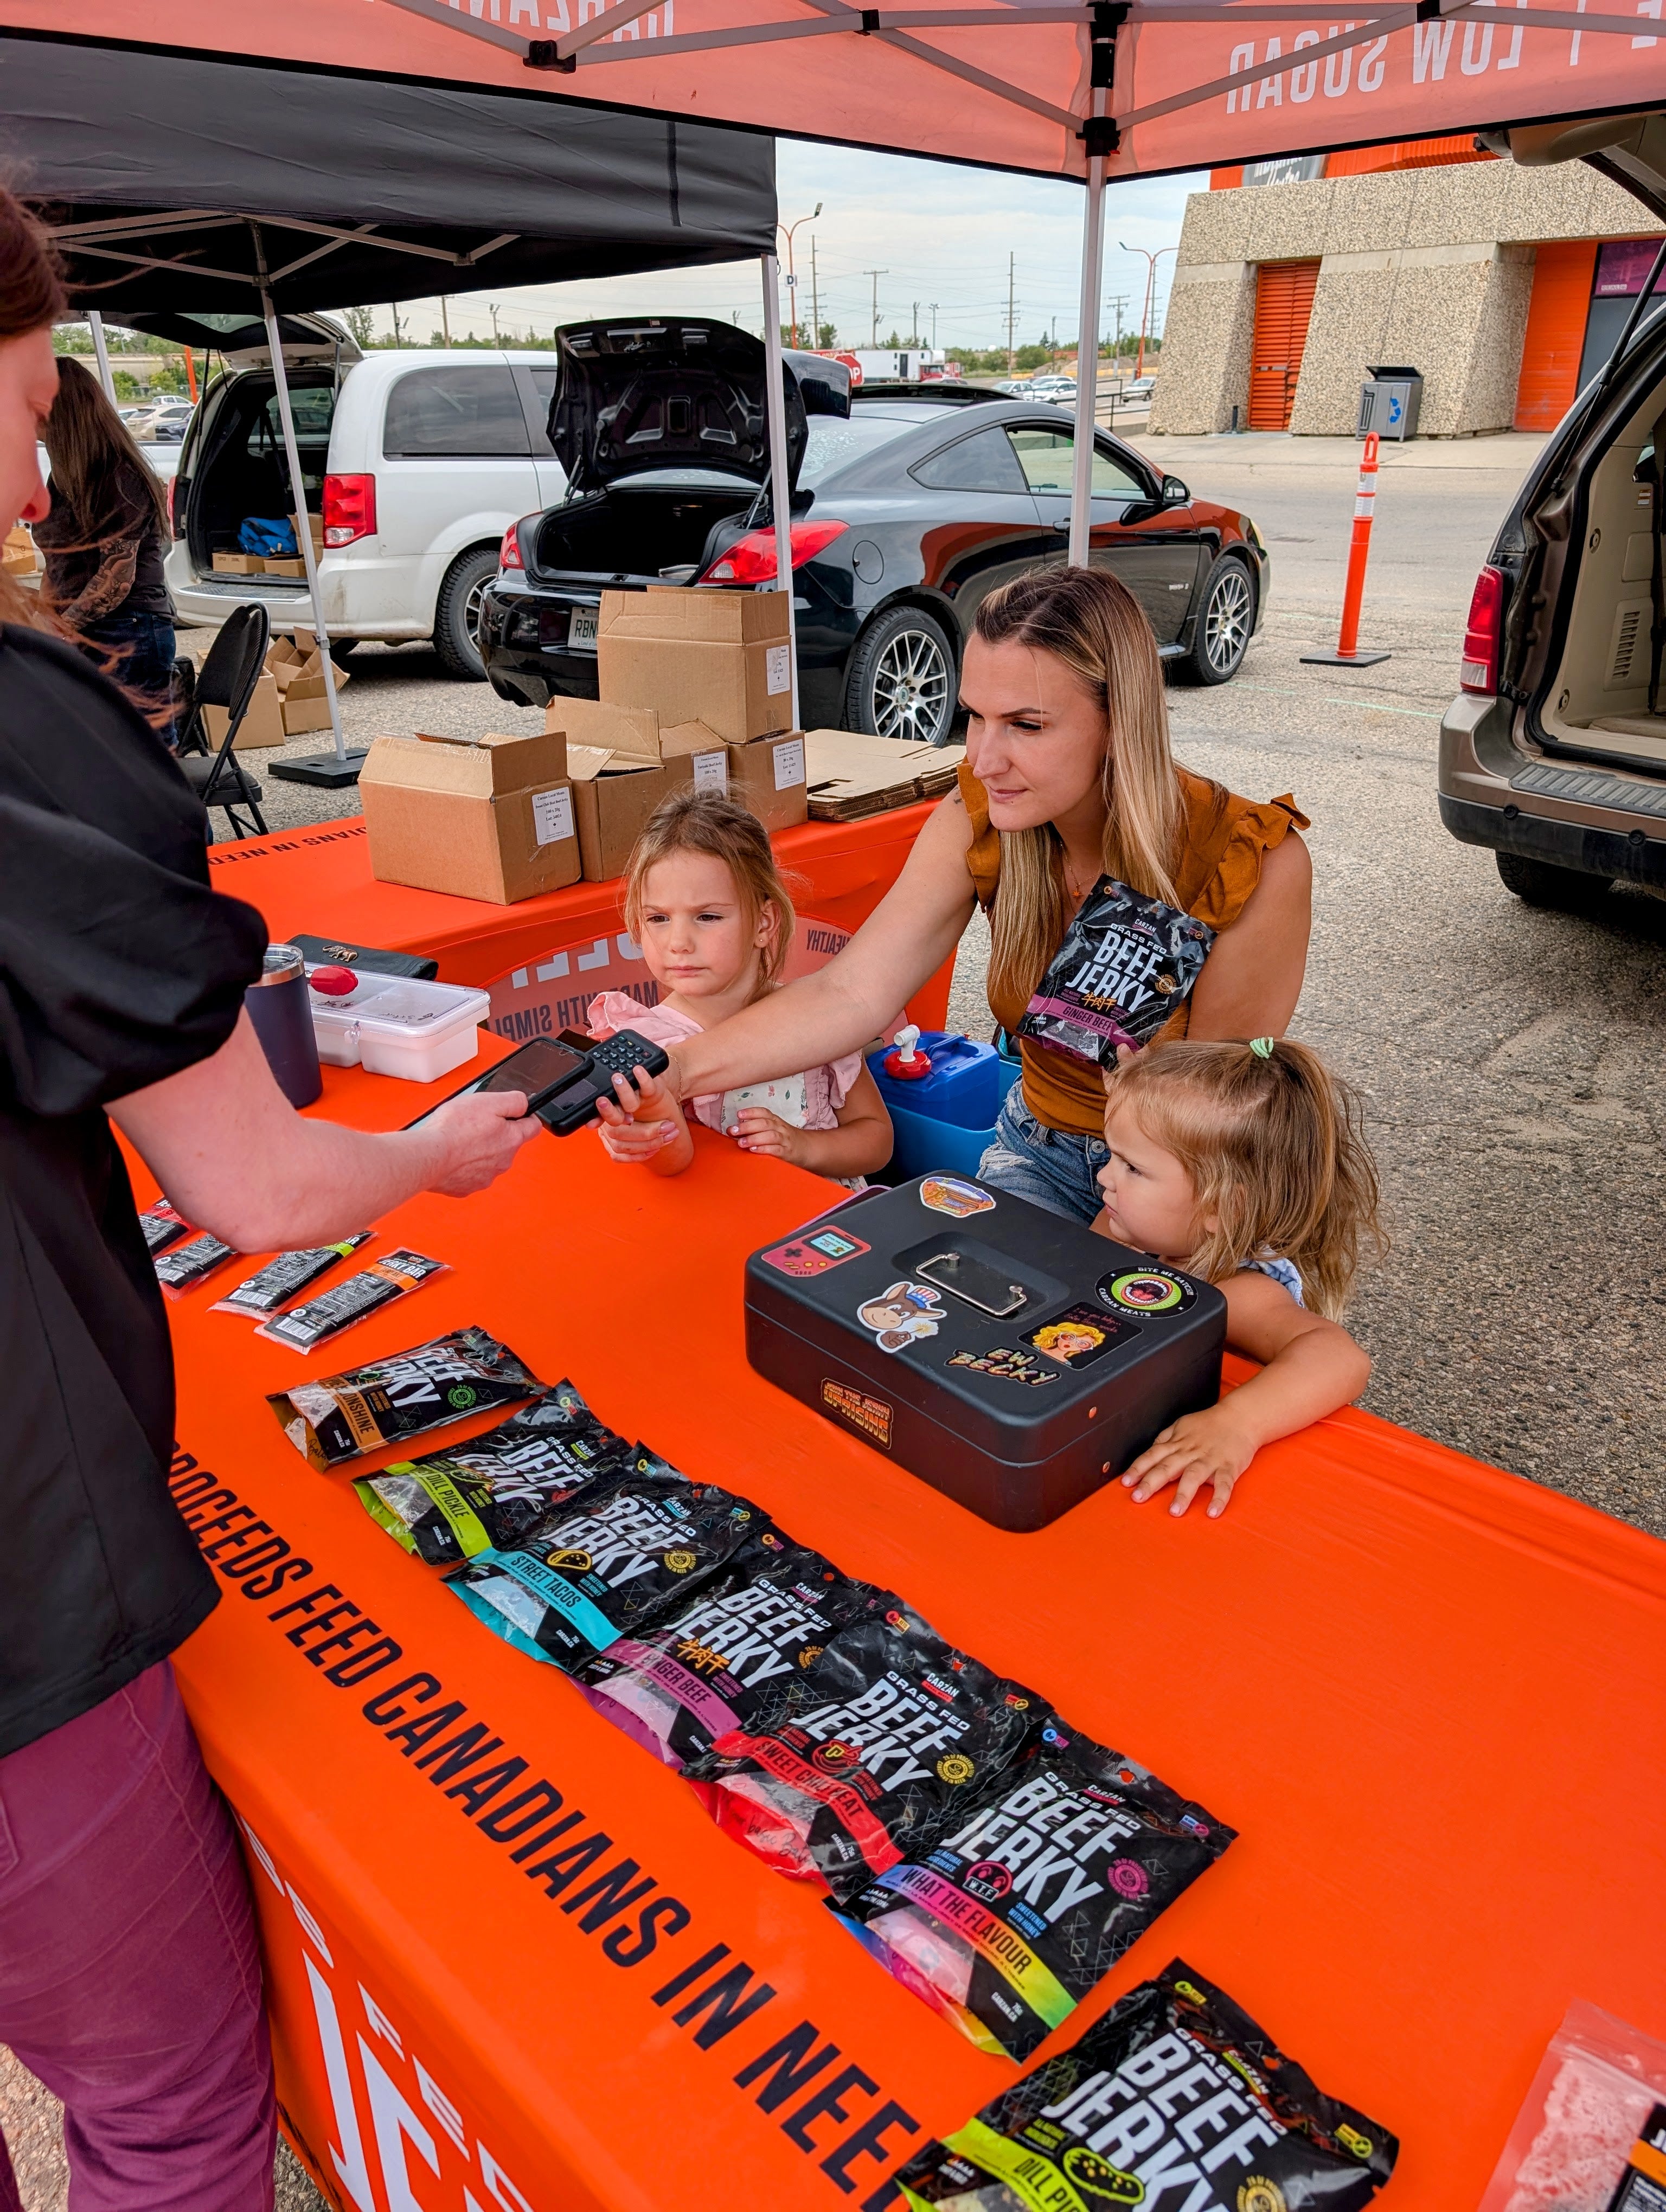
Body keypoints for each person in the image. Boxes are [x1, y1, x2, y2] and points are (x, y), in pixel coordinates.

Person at [0, 191, 539, 2212]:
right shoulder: (14, 725)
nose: (47, 460)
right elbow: (252, 1173)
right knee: (167, 2112)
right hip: (20, 1616)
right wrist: (438, 1152)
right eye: (38, 397)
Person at [599, 565, 1311, 1221]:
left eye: (1026, 725)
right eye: (974, 715)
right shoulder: (985, 817)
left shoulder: (1249, 861)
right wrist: (675, 1071)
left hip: (1185, 1185)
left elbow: (1221, 1126)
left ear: (1120, 722)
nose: (981, 757)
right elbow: (851, 995)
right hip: (1038, 1150)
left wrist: (1107, 1246)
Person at [1099, 1037, 1381, 1520]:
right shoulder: (1135, 1227)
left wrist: (1237, 1424)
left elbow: (1341, 1358)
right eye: (1111, 1155)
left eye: (1132, 1168)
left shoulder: (1236, 1288)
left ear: (1222, 1207)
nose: (1104, 1178)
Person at [589, 788, 892, 1184]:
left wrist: (804, 1147)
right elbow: (673, 1161)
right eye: (658, 919)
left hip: (824, 1231)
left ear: (764, 924)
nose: (678, 942)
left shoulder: (817, 1019)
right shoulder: (644, 1042)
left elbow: (876, 1139)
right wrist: (639, 1135)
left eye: (708, 917)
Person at [35, 353, 180, 741]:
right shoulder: (65, 476)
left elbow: (117, 577)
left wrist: (62, 626)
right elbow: (57, 564)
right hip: (88, 629)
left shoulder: (118, 475)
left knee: (141, 752)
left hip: (128, 628)